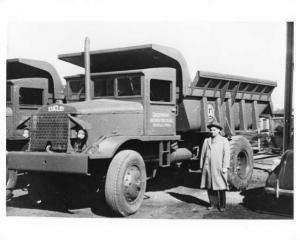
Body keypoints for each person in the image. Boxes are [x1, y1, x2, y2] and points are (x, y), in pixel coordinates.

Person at [200, 119, 230, 212]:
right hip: (208, 167)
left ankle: (222, 205)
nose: (212, 131)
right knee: (210, 186)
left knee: (221, 187)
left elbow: (227, 154)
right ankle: (213, 204)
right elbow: (203, 154)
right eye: (211, 130)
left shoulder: (224, 140)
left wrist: (225, 166)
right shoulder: (207, 140)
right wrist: (202, 166)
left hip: (219, 167)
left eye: (214, 130)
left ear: (219, 130)